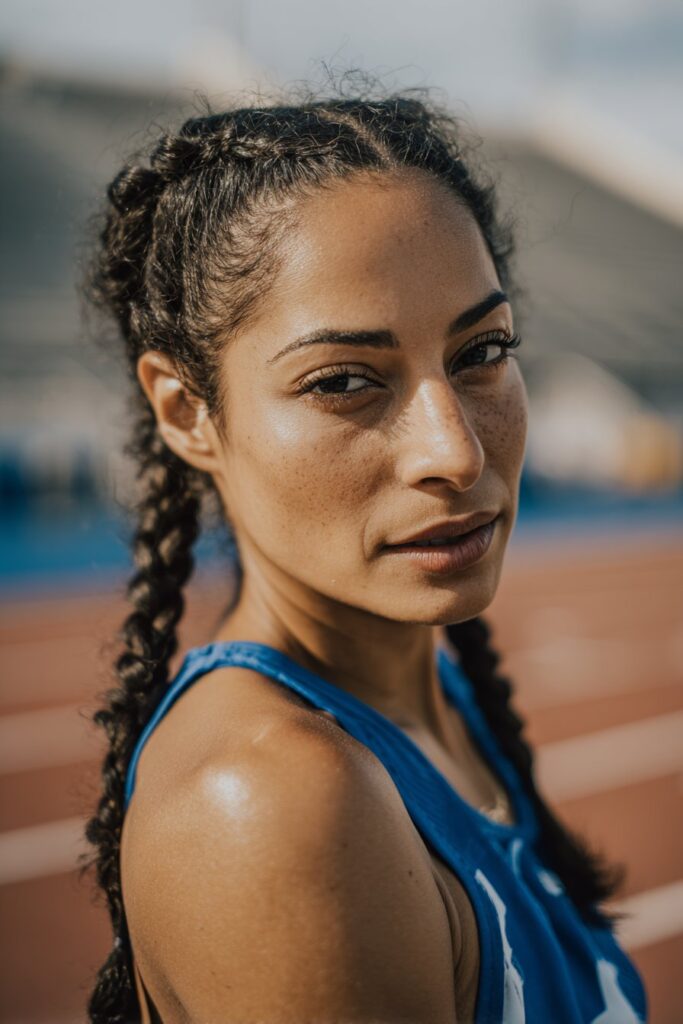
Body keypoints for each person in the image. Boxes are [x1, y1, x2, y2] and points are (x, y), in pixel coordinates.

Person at [82, 79, 648, 1023]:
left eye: (480, 352)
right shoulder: (273, 802)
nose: (456, 451)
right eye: (343, 380)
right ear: (188, 413)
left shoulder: (430, 703)